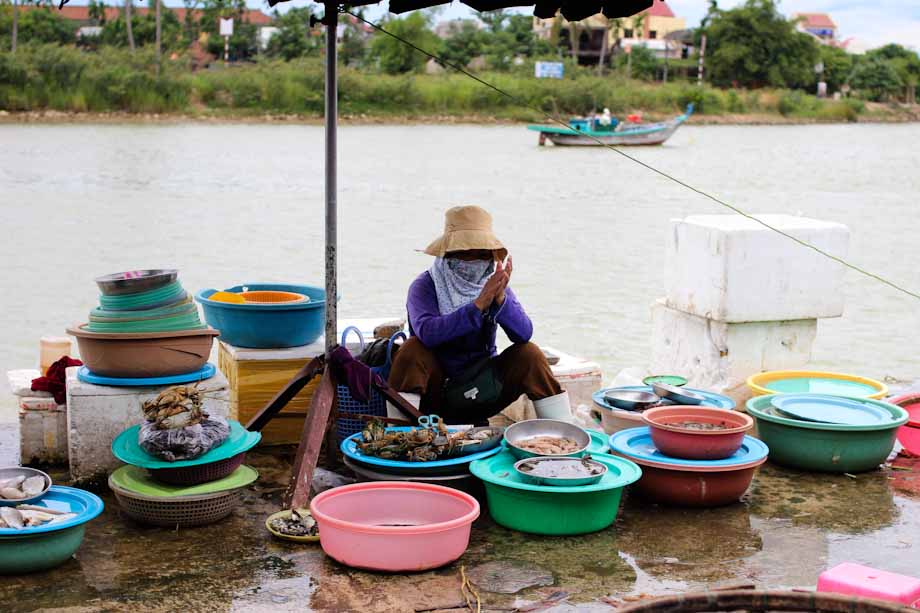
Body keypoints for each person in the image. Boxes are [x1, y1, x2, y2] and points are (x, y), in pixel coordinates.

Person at [388, 205, 571, 424]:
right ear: (449, 254)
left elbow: (524, 333)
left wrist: (501, 300)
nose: (473, 260)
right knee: (412, 349)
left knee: (529, 354)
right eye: (465, 253)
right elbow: (428, 333)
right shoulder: (425, 285)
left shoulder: (494, 284)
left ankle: (563, 434)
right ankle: (399, 434)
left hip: (481, 388)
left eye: (482, 255)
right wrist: (477, 306)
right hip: (433, 394)